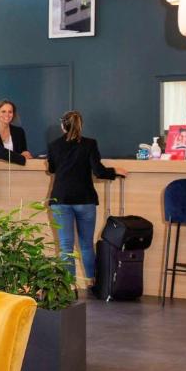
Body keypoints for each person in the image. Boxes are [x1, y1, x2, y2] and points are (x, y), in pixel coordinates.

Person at [47, 111, 128, 290]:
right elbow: (98, 171)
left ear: (62, 126)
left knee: (66, 246)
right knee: (86, 244)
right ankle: (93, 281)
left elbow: (52, 168)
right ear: (80, 125)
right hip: (85, 199)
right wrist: (115, 171)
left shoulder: (54, 145)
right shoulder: (90, 144)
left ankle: (69, 285)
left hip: (61, 199)